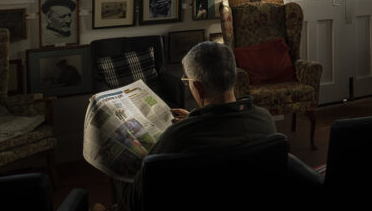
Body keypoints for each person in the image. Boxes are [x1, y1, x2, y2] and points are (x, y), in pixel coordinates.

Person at [115, 41, 276, 211]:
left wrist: (119, 162)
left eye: (187, 81)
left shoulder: (178, 137)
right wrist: (193, 118)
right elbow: (222, 130)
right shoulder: (265, 121)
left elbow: (137, 201)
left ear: (198, 88)